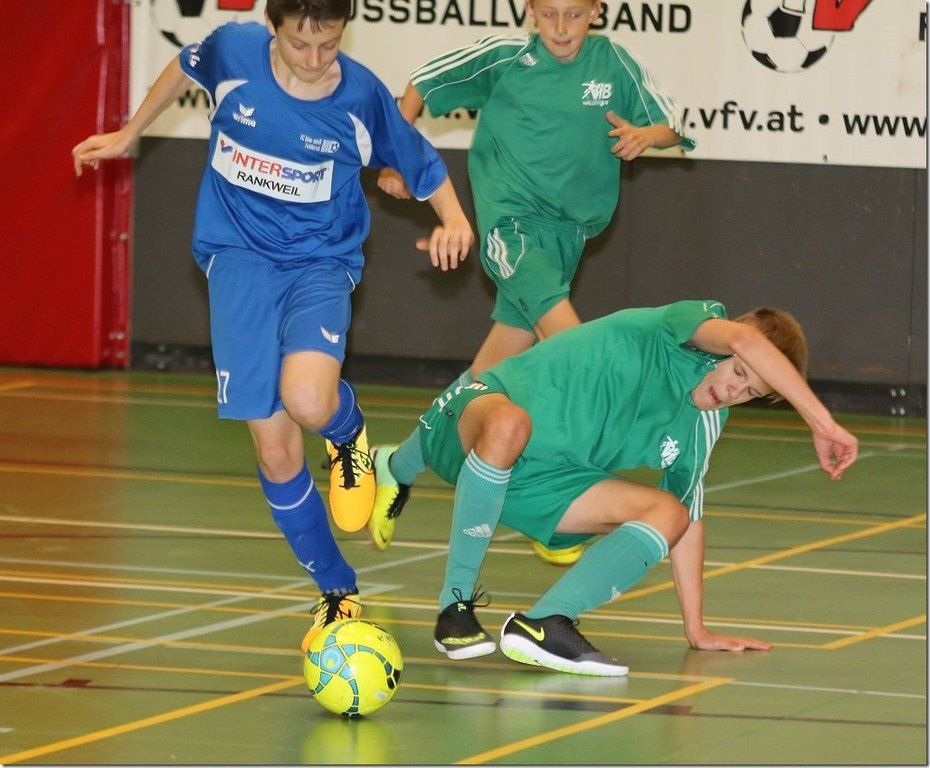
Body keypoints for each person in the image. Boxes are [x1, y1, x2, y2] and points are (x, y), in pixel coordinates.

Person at [71, 0, 473, 651]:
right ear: (272, 29)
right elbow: (184, 65)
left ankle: (347, 433)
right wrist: (129, 132)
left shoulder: (360, 97)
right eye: (299, 45)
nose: (315, 60)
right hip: (237, 262)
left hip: (319, 261)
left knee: (308, 400)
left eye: (329, 44)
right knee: (275, 448)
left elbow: (421, 163)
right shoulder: (233, 53)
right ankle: (337, 591)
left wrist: (454, 221)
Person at [369, 300, 858, 675]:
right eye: (738, 371)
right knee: (510, 423)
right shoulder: (684, 328)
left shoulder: (703, 424)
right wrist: (822, 422)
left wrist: (697, 628)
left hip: (539, 482)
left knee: (670, 513)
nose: (733, 390)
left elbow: (688, 522)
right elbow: (747, 340)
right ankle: (453, 607)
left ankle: (546, 623)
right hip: (474, 422)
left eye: (750, 392)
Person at [370, 0, 694, 565]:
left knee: (486, 380)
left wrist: (648, 135)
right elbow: (423, 83)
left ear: (597, 11)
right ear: (529, 11)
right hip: (512, 228)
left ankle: (396, 465)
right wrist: (397, 158)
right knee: (576, 352)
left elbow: (672, 126)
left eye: (574, 15)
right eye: (548, 15)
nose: (561, 28)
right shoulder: (504, 57)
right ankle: (561, 506)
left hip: (569, 239)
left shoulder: (614, 63)